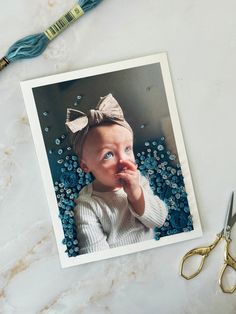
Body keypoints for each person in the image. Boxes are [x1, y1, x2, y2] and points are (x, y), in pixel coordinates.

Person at [66, 93, 168, 254]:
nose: (123, 161)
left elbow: (159, 220)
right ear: (85, 166)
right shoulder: (88, 204)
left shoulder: (138, 181)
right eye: (108, 155)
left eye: (127, 149)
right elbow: (94, 253)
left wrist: (136, 195)